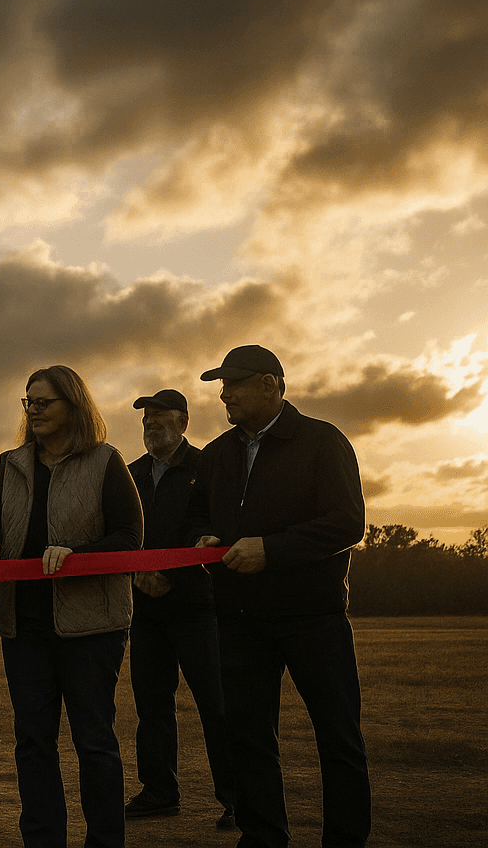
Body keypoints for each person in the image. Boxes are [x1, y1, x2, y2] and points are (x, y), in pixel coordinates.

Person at [188, 345, 370, 847]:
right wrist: (202, 537)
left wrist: (270, 550)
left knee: (339, 739)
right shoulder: (216, 454)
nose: (224, 394)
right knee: (247, 739)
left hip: (314, 618)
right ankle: (263, 838)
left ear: (269, 384)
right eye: (222, 385)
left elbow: (347, 523)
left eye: (233, 384)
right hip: (238, 619)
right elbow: (197, 514)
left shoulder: (323, 441)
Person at [0, 365, 143, 848]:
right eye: (29, 402)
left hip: (92, 629)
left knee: (94, 742)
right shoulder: (10, 464)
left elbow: (130, 538)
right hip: (23, 627)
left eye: (45, 402)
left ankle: (105, 841)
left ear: (74, 405)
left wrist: (76, 556)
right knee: (33, 743)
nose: (34, 411)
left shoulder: (106, 461)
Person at [123, 389, 236, 830]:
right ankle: (159, 793)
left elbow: (213, 528)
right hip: (145, 610)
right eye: (146, 418)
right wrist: (135, 573)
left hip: (197, 607)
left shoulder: (206, 467)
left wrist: (176, 574)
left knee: (217, 705)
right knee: (151, 706)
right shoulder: (130, 473)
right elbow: (123, 532)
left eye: (160, 416)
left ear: (184, 421)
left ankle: (236, 799)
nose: (150, 423)